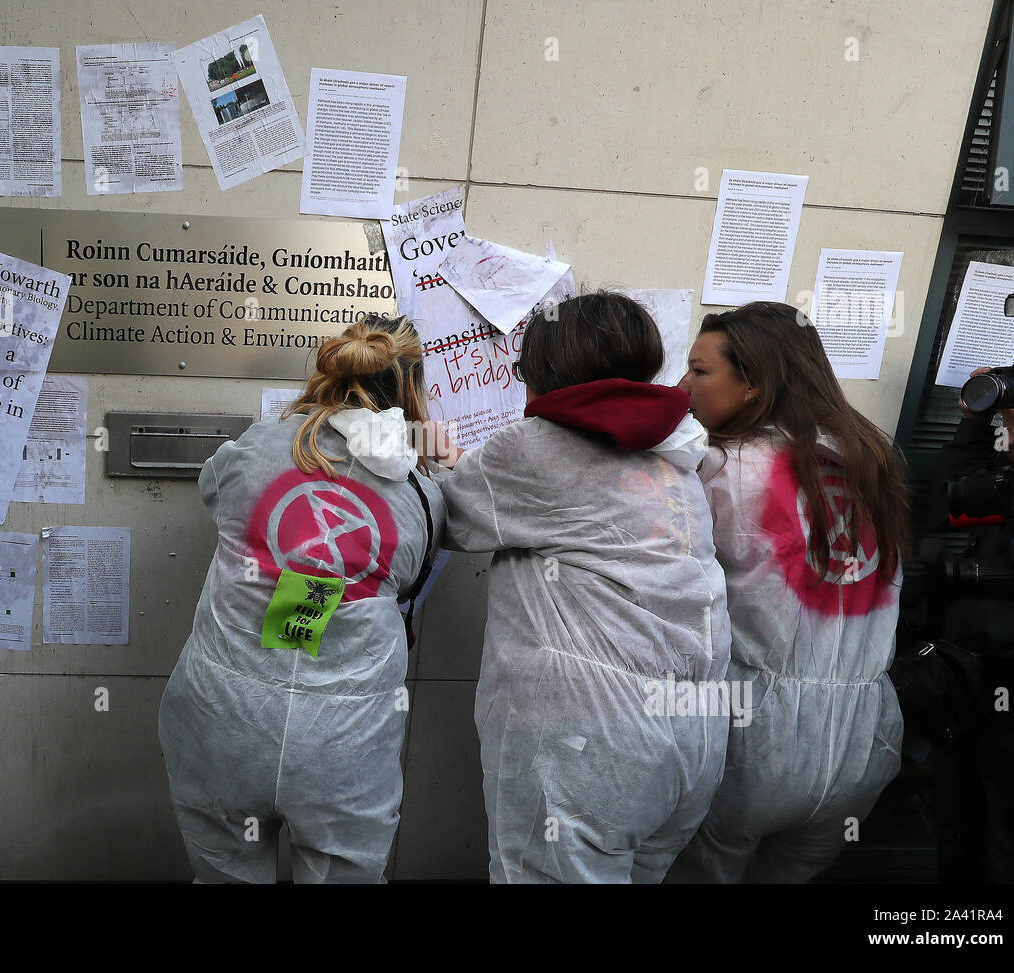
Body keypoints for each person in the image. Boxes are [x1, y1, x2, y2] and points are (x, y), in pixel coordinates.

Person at [424, 291, 732, 883]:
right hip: (692, 740)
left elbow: (451, 519)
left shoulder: (530, 449)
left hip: (588, 745)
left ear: (542, 375)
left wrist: (434, 457)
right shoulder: (676, 450)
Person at [157, 314, 444, 883]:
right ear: (413, 387)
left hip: (221, 720)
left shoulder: (259, 444)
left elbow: (211, 490)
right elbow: (408, 578)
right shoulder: (420, 493)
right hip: (343, 746)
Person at [665, 302, 908, 883]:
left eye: (700, 371)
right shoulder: (873, 461)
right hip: (861, 745)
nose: (682, 386)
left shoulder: (726, 465)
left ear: (754, 384)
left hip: (752, 746)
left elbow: (673, 591)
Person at [918, 361, 1014, 883]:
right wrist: (977, 422)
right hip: (971, 684)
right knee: (957, 846)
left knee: (1012, 857)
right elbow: (943, 508)